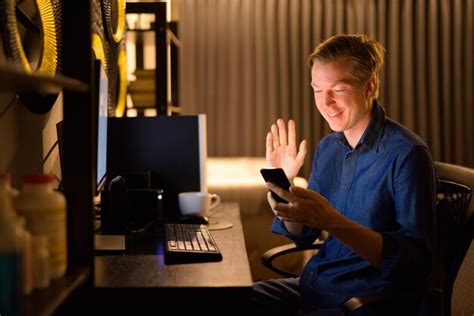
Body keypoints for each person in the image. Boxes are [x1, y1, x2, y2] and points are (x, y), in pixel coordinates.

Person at [252, 34, 437, 315]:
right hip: (313, 286)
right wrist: (283, 189)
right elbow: (304, 236)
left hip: (363, 300)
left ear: (369, 85)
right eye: (317, 90)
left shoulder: (407, 154)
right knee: (227, 300)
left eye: (338, 89)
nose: (325, 102)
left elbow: (415, 265)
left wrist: (333, 221)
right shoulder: (328, 148)